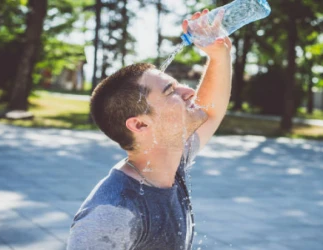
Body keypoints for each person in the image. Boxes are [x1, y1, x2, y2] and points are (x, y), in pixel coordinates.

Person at [67, 9, 232, 250]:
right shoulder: (112, 213)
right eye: (170, 91)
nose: (189, 91)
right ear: (140, 124)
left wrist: (219, 56)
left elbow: (210, 112)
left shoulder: (169, 162)